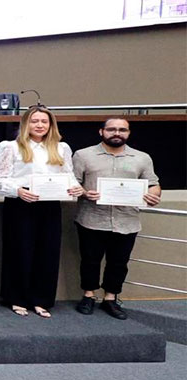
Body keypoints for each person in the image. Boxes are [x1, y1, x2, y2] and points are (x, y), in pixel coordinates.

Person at [0, 105, 83, 318]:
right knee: (19, 252)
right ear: (26, 124)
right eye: (35, 121)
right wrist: (18, 191)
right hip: (21, 203)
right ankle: (17, 298)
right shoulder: (10, 147)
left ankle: (41, 300)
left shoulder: (61, 148)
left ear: (51, 125)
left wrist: (76, 187)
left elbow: (68, 175)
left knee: (48, 252)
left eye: (44, 121)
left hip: (50, 205)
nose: (40, 125)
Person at [72, 118, 161, 320]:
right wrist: (85, 193)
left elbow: (153, 183)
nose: (117, 133)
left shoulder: (142, 158)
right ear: (101, 131)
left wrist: (154, 195)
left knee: (119, 262)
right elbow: (73, 184)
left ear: (128, 133)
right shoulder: (83, 155)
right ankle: (88, 295)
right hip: (91, 218)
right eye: (111, 129)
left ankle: (111, 298)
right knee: (90, 260)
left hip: (127, 220)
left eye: (122, 130)